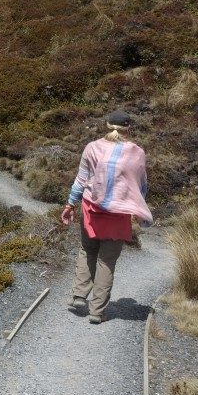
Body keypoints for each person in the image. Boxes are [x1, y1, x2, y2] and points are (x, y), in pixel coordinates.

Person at [60, 110, 152, 324]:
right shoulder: (137, 153)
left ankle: (79, 295)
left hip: (91, 209)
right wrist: (137, 208)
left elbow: (81, 180)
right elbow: (142, 186)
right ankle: (97, 311)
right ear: (129, 128)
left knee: (87, 250)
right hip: (118, 215)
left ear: (107, 125)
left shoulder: (92, 147)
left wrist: (70, 204)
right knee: (107, 261)